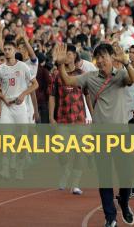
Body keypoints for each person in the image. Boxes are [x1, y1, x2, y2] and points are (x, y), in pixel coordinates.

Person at [55, 43, 134, 227]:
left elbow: (133, 80)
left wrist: (126, 62)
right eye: (97, 57)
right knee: (105, 177)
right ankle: (110, 217)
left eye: (103, 56)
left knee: (127, 176)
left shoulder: (121, 75)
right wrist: (60, 65)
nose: (100, 61)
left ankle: (124, 203)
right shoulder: (90, 77)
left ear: (111, 57)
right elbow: (68, 81)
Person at [49, 44, 86, 195]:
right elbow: (52, 96)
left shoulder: (82, 74)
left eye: (70, 54)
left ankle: (75, 183)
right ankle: (65, 170)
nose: (67, 56)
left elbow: (88, 95)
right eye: (65, 54)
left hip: (79, 118)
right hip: (62, 117)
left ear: (75, 56)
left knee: (80, 151)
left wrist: (93, 114)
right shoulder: (57, 75)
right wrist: (51, 117)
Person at [0, 41, 38, 124]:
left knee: (22, 136)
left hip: (20, 106)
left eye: (9, 49)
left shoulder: (23, 66)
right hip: (6, 106)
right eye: (5, 49)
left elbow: (35, 84)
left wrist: (23, 94)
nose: (7, 51)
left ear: (15, 50)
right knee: (6, 136)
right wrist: (3, 98)